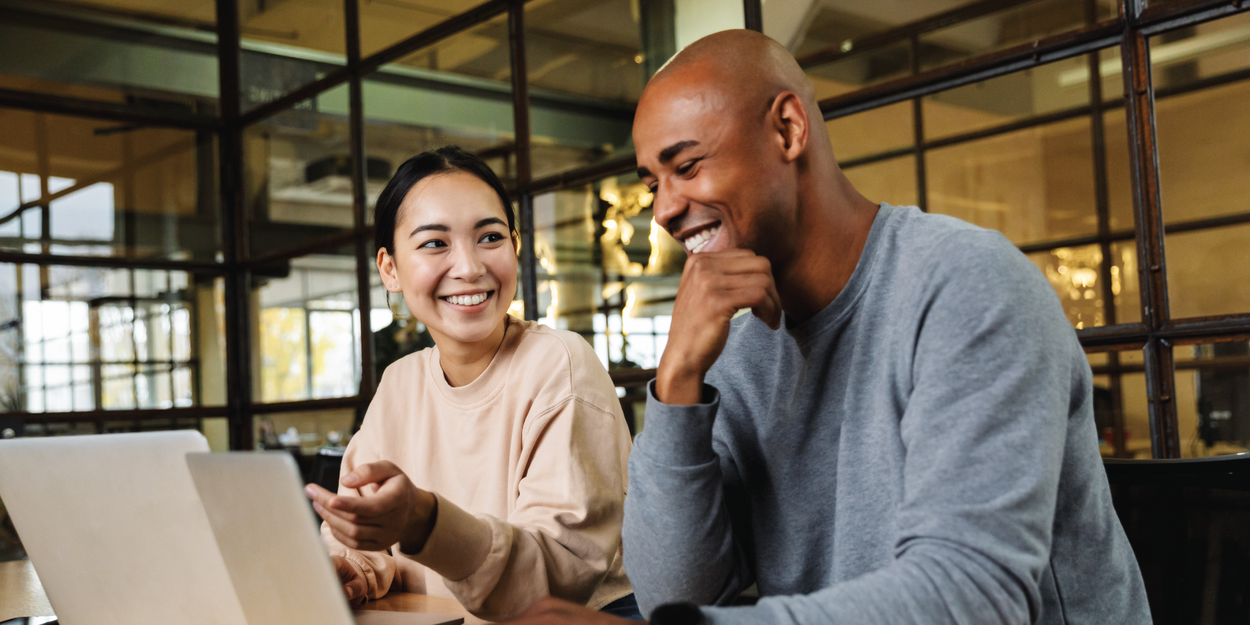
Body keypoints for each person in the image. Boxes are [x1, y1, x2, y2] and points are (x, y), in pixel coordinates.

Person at [500, 30, 1150, 625]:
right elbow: (682, 593)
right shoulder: (737, 341)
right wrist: (677, 384)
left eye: (688, 165)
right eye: (652, 184)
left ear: (787, 129)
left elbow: (972, 596)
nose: (665, 210)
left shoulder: (966, 285)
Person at [303, 146, 641, 622]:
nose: (470, 266)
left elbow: (553, 576)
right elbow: (358, 528)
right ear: (390, 269)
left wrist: (425, 521)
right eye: (435, 243)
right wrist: (353, 567)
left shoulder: (560, 363)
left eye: (489, 237)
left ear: (516, 247)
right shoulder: (400, 383)